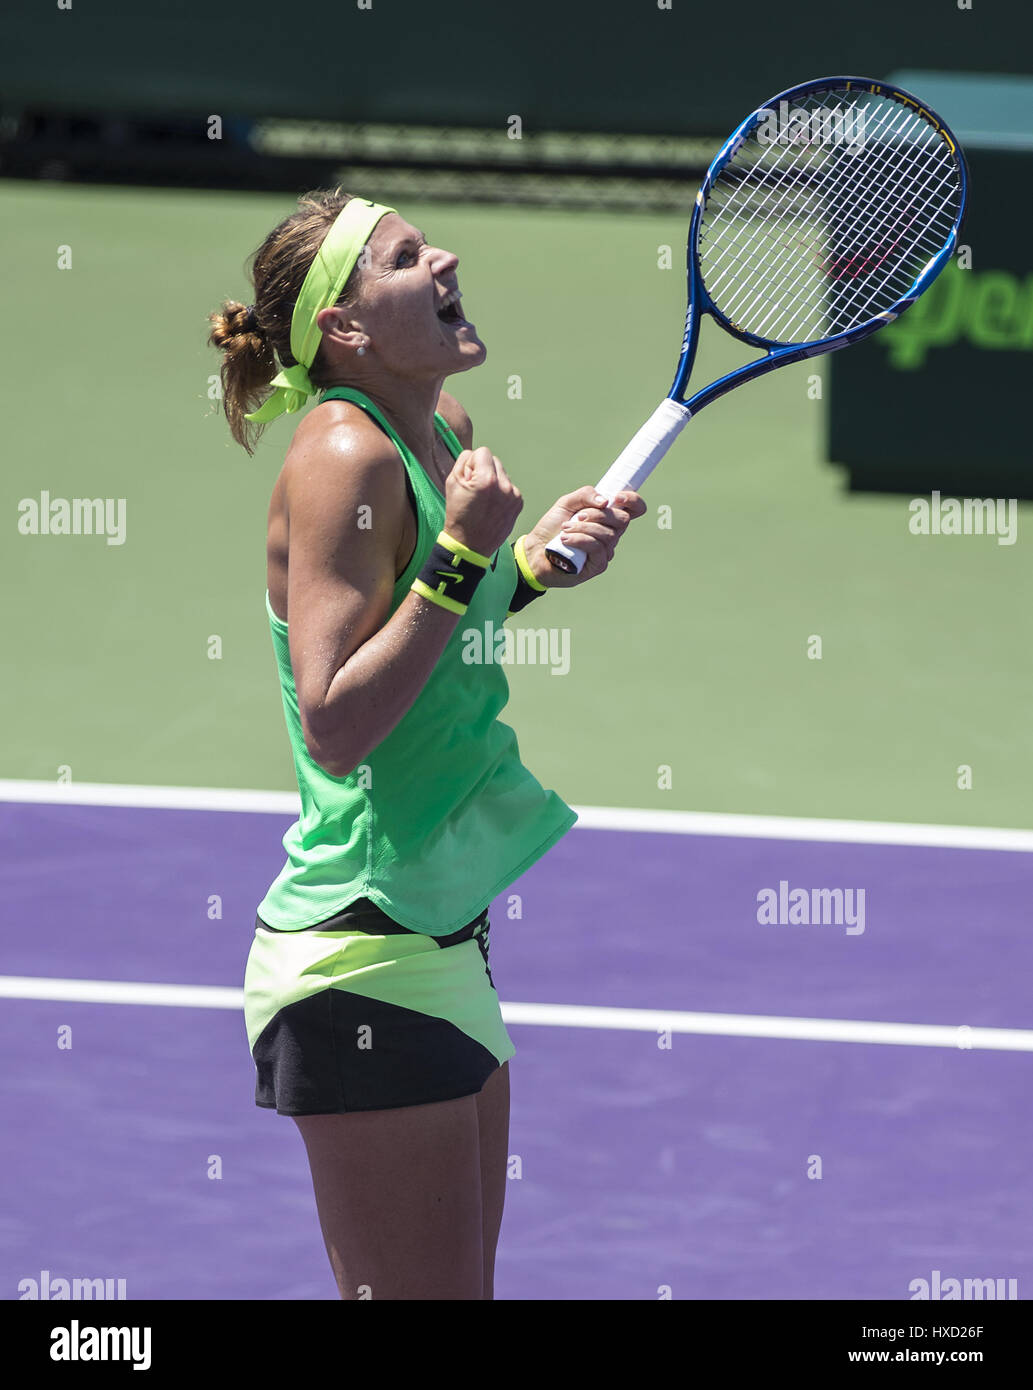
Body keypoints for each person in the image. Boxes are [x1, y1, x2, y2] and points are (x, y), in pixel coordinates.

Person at [207, 188, 645, 1300]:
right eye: (405, 256)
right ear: (346, 330)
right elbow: (338, 721)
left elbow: (438, 637)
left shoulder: (437, 431)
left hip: (441, 930)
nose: (442, 255)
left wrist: (533, 561)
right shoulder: (342, 456)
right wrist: (460, 551)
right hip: (363, 955)